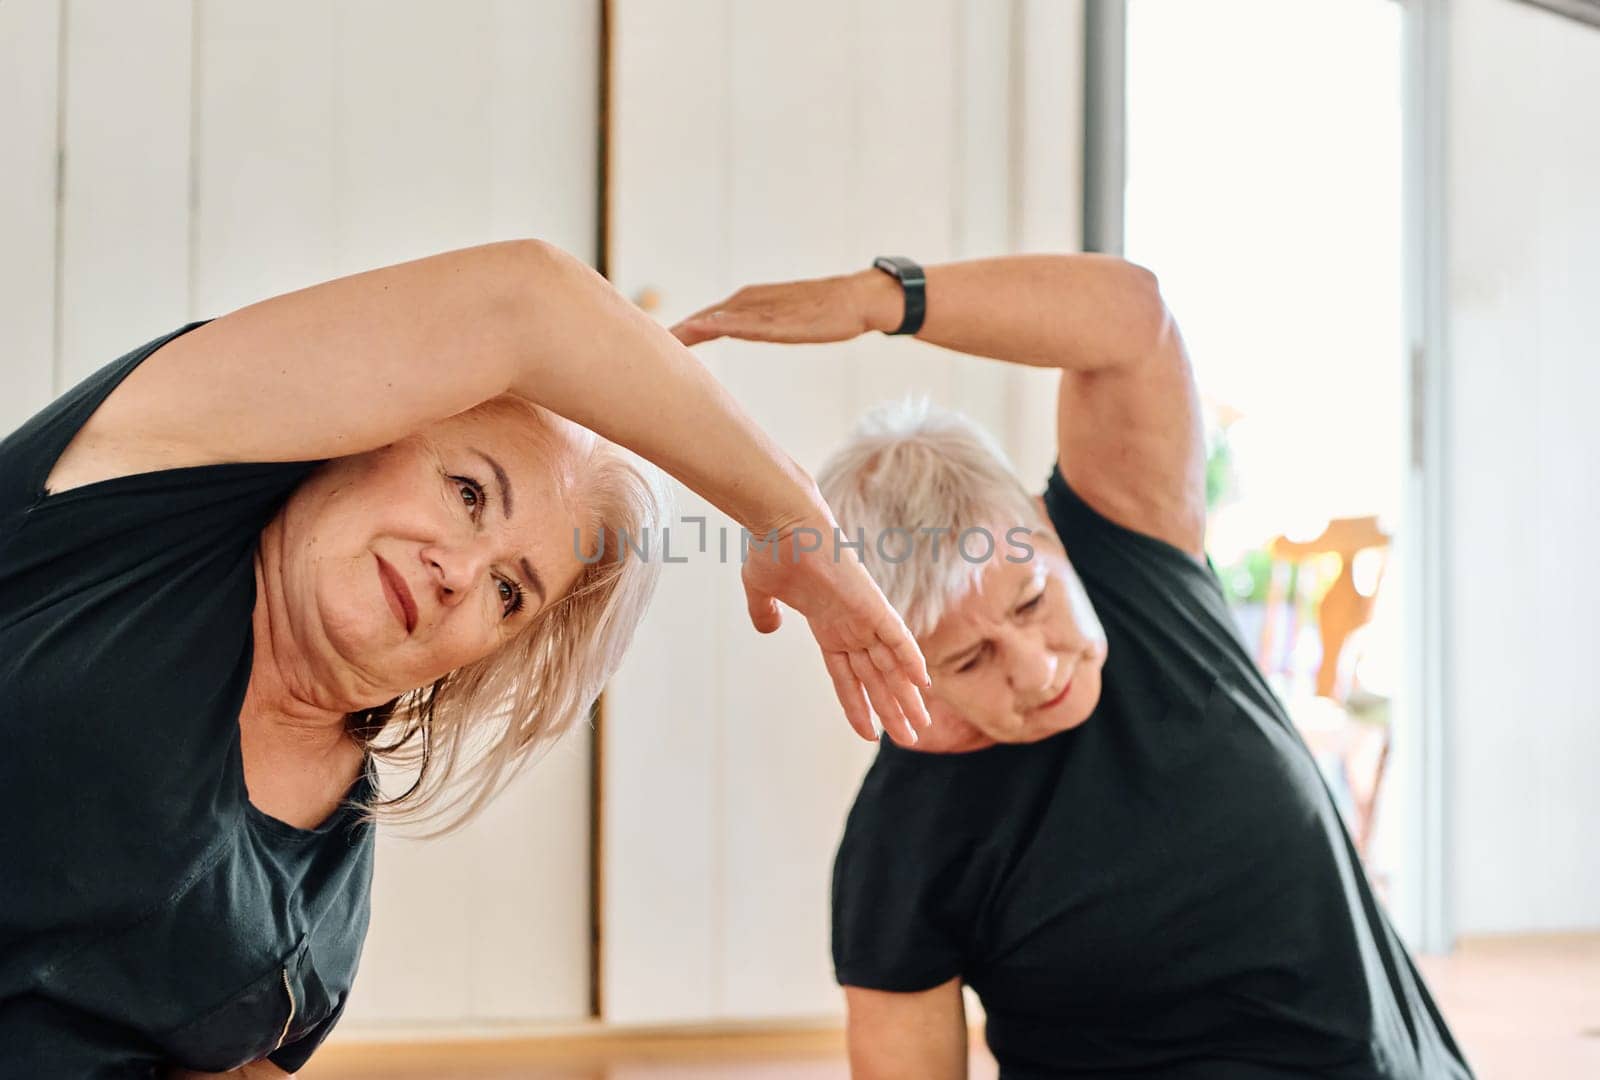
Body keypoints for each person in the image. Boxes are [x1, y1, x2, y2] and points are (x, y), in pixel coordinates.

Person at [0, 239, 931, 1078]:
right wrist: (793, 516)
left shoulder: (331, 871)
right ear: (363, 431)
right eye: (467, 491)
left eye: (511, 592)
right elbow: (527, 300)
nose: (462, 572)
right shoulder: (136, 495)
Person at [672, 255, 1473, 1079]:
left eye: (1029, 602)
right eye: (969, 656)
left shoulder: (1132, 554)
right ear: (902, 663)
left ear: (1047, 530)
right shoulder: (903, 847)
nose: (1034, 666)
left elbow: (1133, 317)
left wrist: (879, 299)